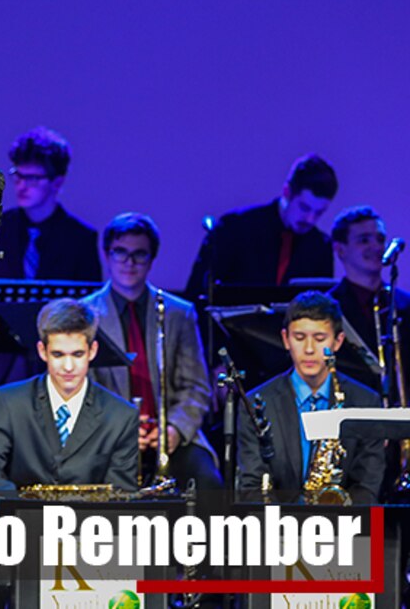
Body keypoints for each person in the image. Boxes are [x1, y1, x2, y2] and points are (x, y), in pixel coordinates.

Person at [0, 127, 102, 417]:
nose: (22, 185)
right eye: (18, 176)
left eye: (33, 178)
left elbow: (89, 313)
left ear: (57, 182)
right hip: (0, 365)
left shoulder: (80, 238)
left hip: (56, 365)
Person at [83, 213, 223, 489]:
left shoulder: (178, 313)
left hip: (170, 434)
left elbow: (195, 387)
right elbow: (83, 391)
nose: (129, 263)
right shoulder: (85, 314)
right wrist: (119, 431)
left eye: (139, 255)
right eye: (120, 253)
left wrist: (174, 430)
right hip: (106, 436)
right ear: (107, 255)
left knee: (208, 483)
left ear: (152, 259)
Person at [0, 298, 138, 493]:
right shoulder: (9, 402)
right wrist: (24, 510)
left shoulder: (121, 416)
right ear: (42, 351)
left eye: (77, 354)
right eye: (58, 355)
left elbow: (121, 495)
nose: (68, 367)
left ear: (93, 351)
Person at [236, 291, 384, 504]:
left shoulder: (367, 403)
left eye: (319, 339)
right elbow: (251, 487)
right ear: (286, 339)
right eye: (299, 338)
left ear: (338, 341)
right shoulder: (256, 403)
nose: (308, 349)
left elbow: (367, 487)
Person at [185, 154, 337, 299]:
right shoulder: (236, 228)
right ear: (287, 192)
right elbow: (198, 293)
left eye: (319, 212)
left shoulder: (320, 247)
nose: (310, 219)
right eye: (304, 208)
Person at [326, 205, 410, 396]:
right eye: (364, 240)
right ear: (340, 249)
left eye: (380, 239)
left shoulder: (405, 305)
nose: (377, 247)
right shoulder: (327, 308)